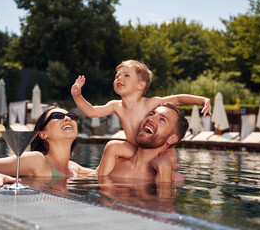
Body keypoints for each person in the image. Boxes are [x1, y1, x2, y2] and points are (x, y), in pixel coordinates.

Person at [71, 60, 211, 173]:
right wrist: (77, 96)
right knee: (112, 147)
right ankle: (99, 176)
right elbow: (91, 111)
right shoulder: (116, 105)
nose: (119, 78)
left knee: (171, 154)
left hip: (154, 149)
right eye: (117, 76)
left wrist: (203, 100)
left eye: (126, 75)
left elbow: (178, 99)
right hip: (134, 149)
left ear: (140, 85)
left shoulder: (150, 103)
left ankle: (167, 174)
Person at [0, 107, 93, 187]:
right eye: (57, 116)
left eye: (72, 116)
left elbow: (103, 171)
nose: (67, 118)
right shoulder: (37, 160)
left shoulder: (73, 167)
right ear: (43, 134)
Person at [96, 102, 189, 183]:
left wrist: (164, 173)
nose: (150, 119)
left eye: (162, 119)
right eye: (151, 114)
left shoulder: (174, 179)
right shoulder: (113, 163)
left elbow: (163, 203)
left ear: (172, 139)